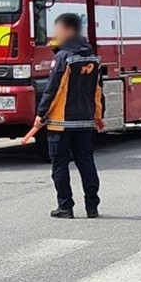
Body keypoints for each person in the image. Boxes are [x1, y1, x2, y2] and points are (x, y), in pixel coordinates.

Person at [34, 13, 104, 219]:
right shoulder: (92, 57)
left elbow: (53, 89)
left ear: (68, 30)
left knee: (60, 164)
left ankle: (65, 206)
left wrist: (40, 114)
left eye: (58, 29)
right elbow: (97, 91)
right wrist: (98, 115)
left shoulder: (63, 58)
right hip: (85, 122)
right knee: (86, 162)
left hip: (60, 123)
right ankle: (92, 206)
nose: (56, 34)